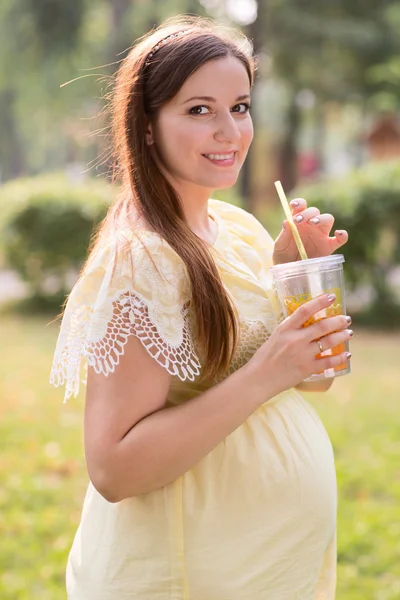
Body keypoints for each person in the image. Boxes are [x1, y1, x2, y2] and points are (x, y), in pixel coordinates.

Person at [50, 15, 352, 600]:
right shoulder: (141, 262)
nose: (229, 131)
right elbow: (114, 469)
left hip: (262, 569)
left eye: (240, 107)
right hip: (185, 576)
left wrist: (299, 275)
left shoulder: (235, 228)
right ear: (146, 126)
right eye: (198, 110)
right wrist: (271, 373)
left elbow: (314, 381)